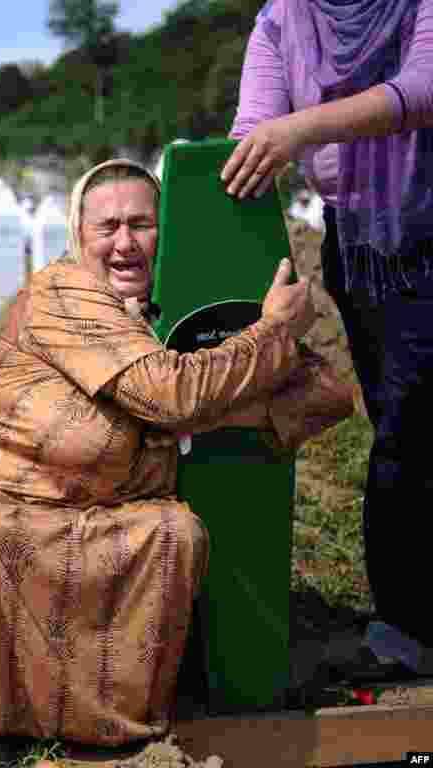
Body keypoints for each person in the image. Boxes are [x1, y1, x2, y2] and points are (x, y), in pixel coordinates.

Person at [0, 159, 353, 746]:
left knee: (174, 533)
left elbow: (329, 394)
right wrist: (266, 340)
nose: (125, 244)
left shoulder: (172, 311)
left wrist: (221, 393)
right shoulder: (63, 293)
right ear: (78, 238)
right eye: (106, 227)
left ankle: (110, 727)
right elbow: (170, 394)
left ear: (171, 233)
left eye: (143, 224)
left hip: (105, 510)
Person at [223, 0, 433, 678]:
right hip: (365, 243)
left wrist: (298, 130)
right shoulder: (285, 18)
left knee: (414, 424)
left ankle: (409, 628)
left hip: (426, 227)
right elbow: (253, 129)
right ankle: (411, 624)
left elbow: (424, 88)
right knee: (403, 425)